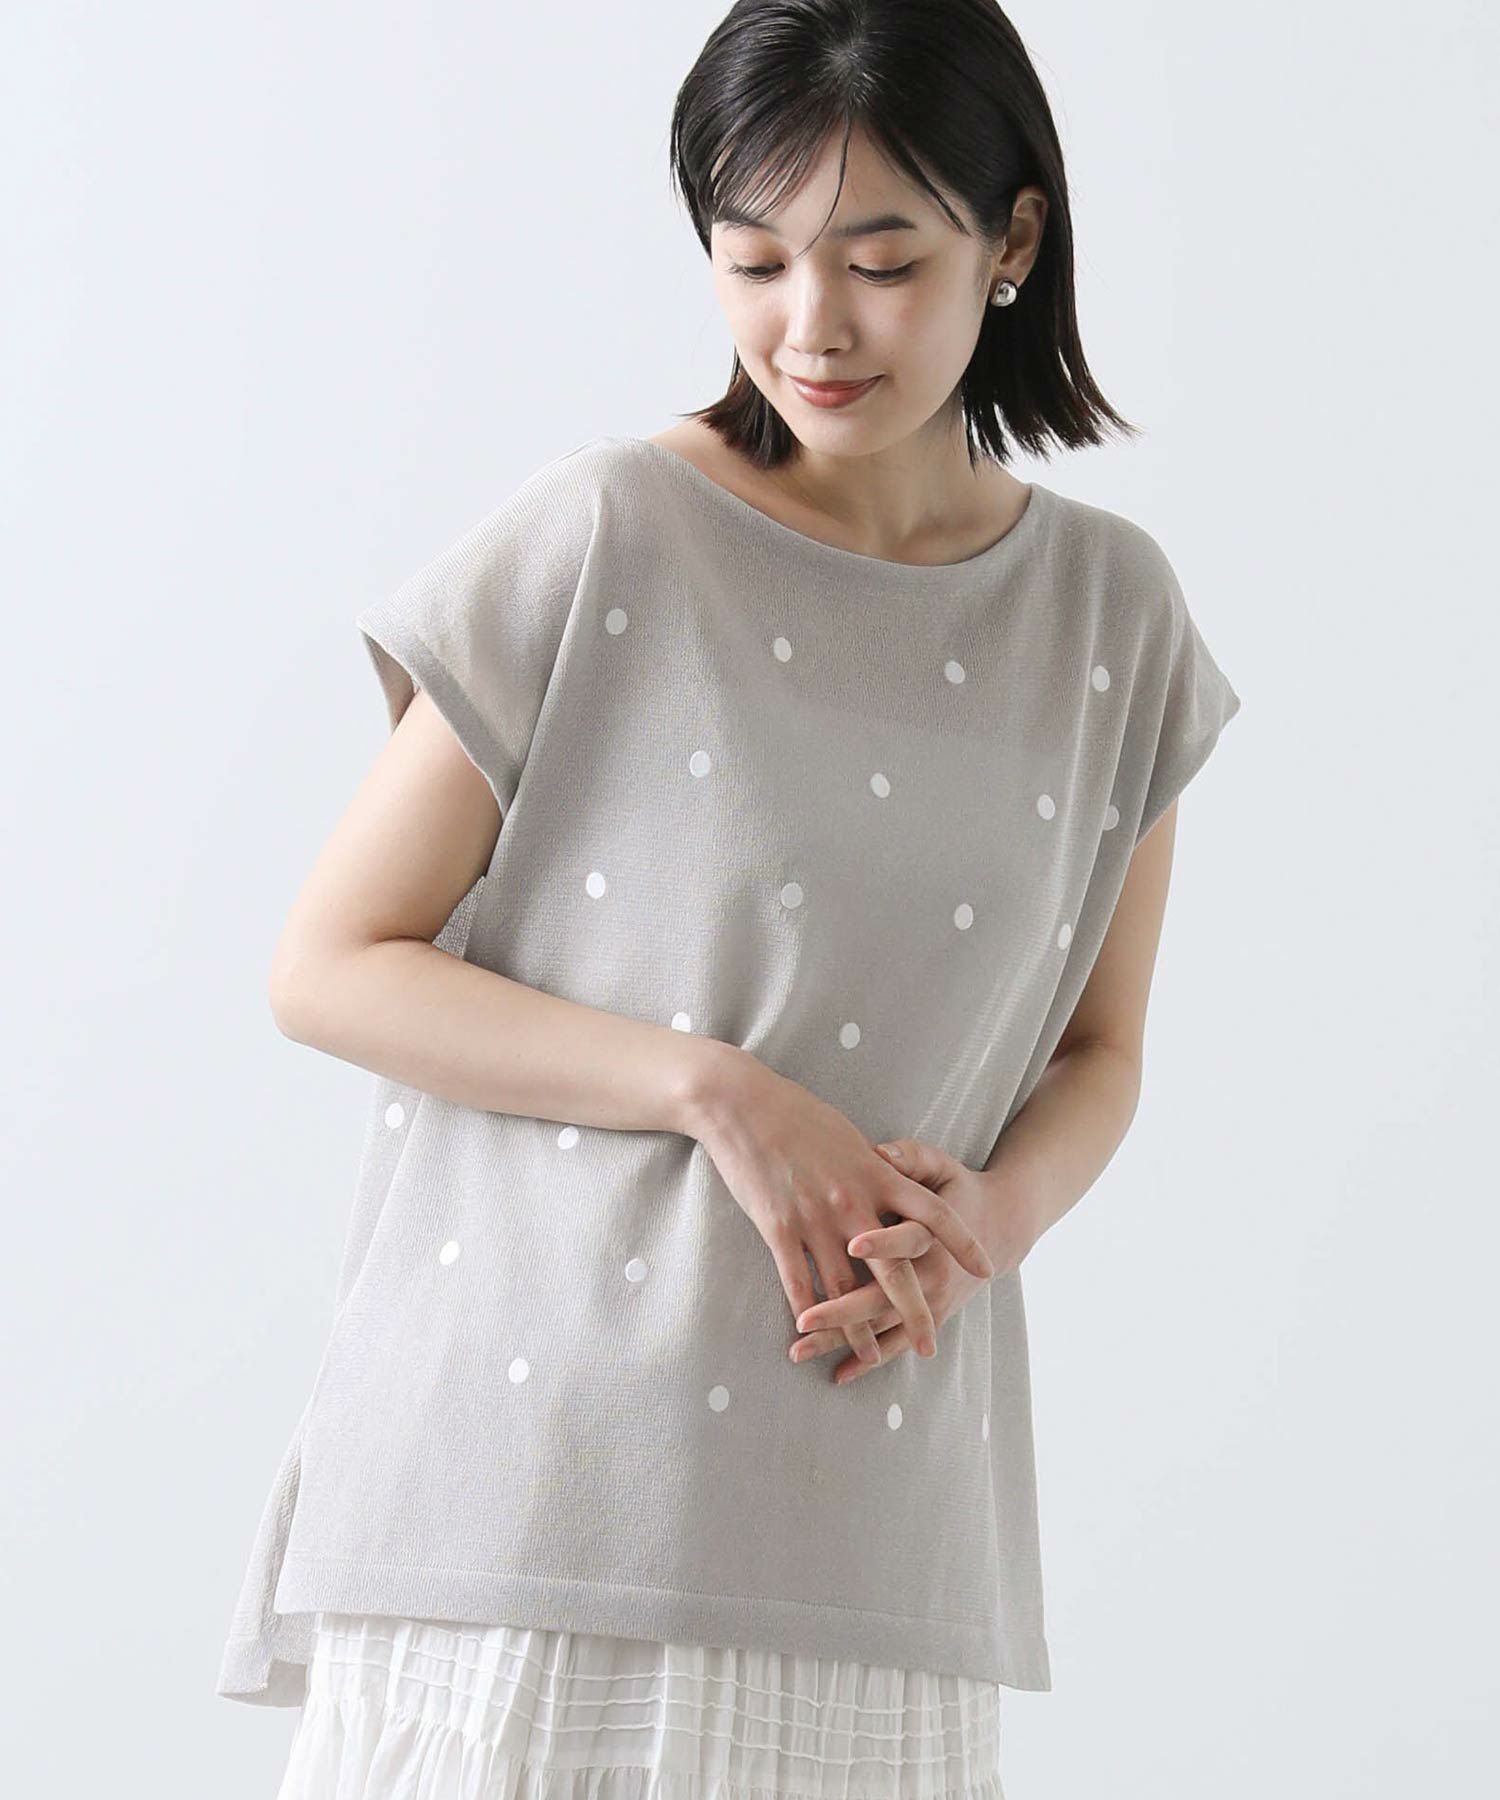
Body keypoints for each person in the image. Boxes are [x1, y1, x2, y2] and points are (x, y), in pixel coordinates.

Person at [220, 3, 1243, 1796]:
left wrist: (990, 1223)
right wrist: (718, 1091)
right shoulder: (612, 533)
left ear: (1013, 240)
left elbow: (1101, 1051)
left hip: (875, 1498)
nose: (810, 326)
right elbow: (327, 964)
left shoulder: (1112, 620)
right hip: (535, 1484)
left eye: (881, 262)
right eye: (753, 259)